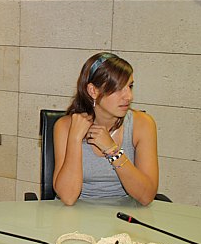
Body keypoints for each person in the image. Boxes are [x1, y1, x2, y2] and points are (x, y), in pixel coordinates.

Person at [53, 52, 158, 206]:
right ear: (93, 91)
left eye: (130, 86)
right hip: (76, 213)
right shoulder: (65, 126)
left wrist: (112, 151)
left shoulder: (142, 124)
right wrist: (75, 139)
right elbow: (68, 197)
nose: (129, 96)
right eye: (118, 88)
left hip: (123, 214)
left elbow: (146, 196)